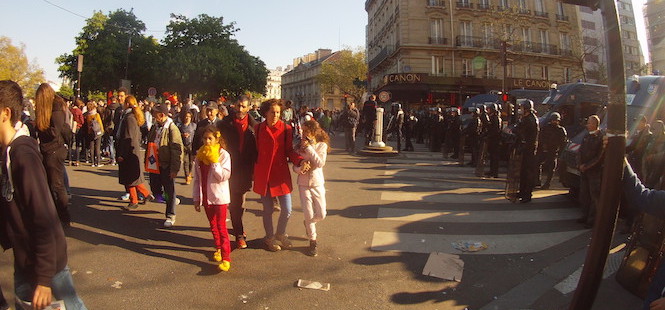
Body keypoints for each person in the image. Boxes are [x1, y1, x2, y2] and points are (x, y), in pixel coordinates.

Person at [0, 80, 87, 310]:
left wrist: (44, 278)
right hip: (27, 257)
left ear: (5, 113)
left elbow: (44, 217)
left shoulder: (23, 156)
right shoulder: (8, 152)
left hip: (46, 264)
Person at [253, 99, 306, 252]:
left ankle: (281, 233)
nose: (275, 115)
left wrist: (300, 160)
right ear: (265, 113)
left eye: (278, 112)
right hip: (264, 174)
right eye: (272, 112)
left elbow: (289, 150)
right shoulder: (258, 129)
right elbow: (255, 152)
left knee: (287, 209)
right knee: (268, 210)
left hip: (280, 174)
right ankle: (269, 237)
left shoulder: (286, 129)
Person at [217, 95, 258, 249]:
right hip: (228, 167)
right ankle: (239, 234)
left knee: (240, 203)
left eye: (243, 106)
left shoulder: (255, 126)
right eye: (238, 106)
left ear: (248, 108)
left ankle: (237, 227)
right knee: (235, 203)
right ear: (234, 106)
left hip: (246, 170)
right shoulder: (224, 124)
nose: (240, 109)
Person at [192, 125, 232, 271]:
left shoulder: (223, 155)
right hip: (206, 197)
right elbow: (196, 178)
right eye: (205, 138)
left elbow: (224, 176)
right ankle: (219, 249)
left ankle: (226, 257)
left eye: (210, 138)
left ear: (217, 139)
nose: (207, 141)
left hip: (219, 197)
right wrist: (196, 198)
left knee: (221, 227)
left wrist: (214, 162)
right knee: (213, 226)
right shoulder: (200, 155)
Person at [34, 83, 71, 225]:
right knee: (50, 184)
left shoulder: (56, 108)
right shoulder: (53, 108)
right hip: (49, 149)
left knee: (57, 185)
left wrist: (39, 127)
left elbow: (55, 132)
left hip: (55, 150)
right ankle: (55, 213)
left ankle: (64, 215)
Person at [293, 120, 328, 257]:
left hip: (317, 183)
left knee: (321, 214)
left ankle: (308, 223)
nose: (304, 134)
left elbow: (320, 163)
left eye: (307, 131)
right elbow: (294, 166)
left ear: (313, 133)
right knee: (308, 212)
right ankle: (313, 240)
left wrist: (309, 148)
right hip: (303, 184)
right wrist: (300, 168)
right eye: (303, 131)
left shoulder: (321, 146)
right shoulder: (298, 147)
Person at [147, 104, 184, 227]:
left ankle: (170, 214)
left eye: (155, 115)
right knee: (155, 188)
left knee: (169, 189)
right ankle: (168, 198)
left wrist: (174, 169)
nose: (153, 117)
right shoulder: (155, 126)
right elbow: (149, 142)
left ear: (162, 115)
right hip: (154, 163)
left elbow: (177, 150)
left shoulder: (172, 129)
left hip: (166, 164)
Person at [116, 95, 153, 210]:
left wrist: (122, 154)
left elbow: (129, 137)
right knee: (132, 177)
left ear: (127, 104)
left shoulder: (129, 118)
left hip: (129, 151)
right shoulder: (132, 116)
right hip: (132, 150)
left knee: (130, 178)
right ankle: (145, 195)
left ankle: (134, 200)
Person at [577, 115, 604, 227]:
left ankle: (592, 220)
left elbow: (599, 157)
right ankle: (585, 215)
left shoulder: (600, 138)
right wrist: (579, 164)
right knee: (584, 195)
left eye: (589, 123)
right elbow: (580, 151)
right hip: (584, 171)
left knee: (594, 196)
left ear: (594, 124)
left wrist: (587, 166)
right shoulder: (586, 136)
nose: (587, 125)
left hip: (594, 171)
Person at [513, 100, 539, 203]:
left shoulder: (530, 120)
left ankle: (527, 194)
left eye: (522, 108)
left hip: (529, 149)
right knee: (523, 172)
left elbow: (518, 130)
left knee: (528, 173)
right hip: (526, 149)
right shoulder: (526, 119)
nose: (521, 110)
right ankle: (522, 191)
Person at [536, 112, 567, 188]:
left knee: (551, 168)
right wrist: (543, 145)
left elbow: (563, 142)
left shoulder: (561, 130)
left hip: (554, 151)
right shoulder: (546, 128)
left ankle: (547, 183)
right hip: (545, 150)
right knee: (537, 163)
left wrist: (560, 153)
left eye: (556, 120)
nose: (554, 122)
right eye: (553, 120)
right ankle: (537, 181)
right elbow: (541, 137)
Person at [626, 115, 652, 180]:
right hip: (635, 160)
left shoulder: (647, 135)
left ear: (643, 123)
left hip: (641, 161)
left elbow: (636, 147)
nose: (636, 124)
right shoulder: (638, 134)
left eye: (638, 122)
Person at [178, 111, 197, 185]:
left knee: (191, 162)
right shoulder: (180, 126)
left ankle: (189, 173)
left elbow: (196, 135)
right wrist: (183, 135)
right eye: (186, 116)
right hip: (184, 146)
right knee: (185, 162)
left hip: (192, 145)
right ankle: (187, 176)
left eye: (189, 116)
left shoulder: (194, 125)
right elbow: (178, 135)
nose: (187, 118)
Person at [484, 104, 502, 178]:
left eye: (489, 109)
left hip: (495, 140)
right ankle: (491, 171)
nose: (487, 111)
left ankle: (494, 172)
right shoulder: (492, 118)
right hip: (492, 140)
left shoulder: (495, 118)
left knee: (494, 157)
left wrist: (489, 135)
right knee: (492, 156)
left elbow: (495, 130)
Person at [85, 102, 104, 167]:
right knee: (97, 147)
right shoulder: (96, 115)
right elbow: (100, 124)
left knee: (92, 147)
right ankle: (98, 162)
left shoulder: (88, 116)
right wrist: (102, 131)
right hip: (98, 133)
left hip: (91, 132)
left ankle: (92, 162)